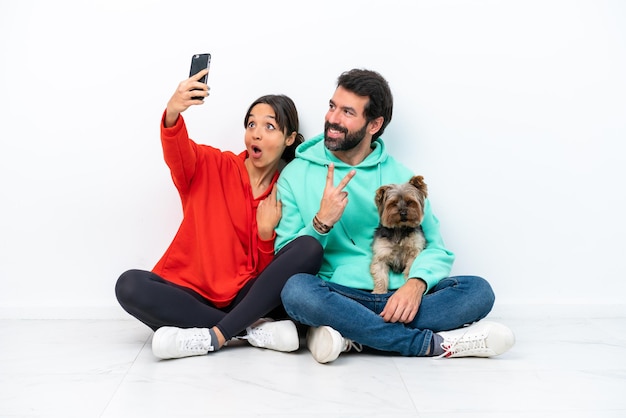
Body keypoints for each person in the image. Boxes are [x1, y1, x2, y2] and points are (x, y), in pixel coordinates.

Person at [276, 68, 515, 364]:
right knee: (296, 291)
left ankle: (352, 332)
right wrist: (321, 223)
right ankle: (427, 343)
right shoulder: (295, 174)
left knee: (478, 291)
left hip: (401, 297)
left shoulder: (400, 178)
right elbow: (283, 257)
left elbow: (436, 248)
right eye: (332, 106)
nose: (333, 119)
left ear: (374, 124)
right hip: (339, 296)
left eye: (347, 112)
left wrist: (416, 285)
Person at [115, 68, 322, 360]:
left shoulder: (286, 191)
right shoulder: (212, 164)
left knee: (308, 251)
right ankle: (247, 332)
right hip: (187, 290)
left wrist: (265, 238)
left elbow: (267, 280)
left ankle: (210, 334)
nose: (256, 133)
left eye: (269, 127)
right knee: (129, 285)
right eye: (251, 124)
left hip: (243, 297)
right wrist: (173, 112)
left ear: (290, 139)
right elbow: (177, 152)